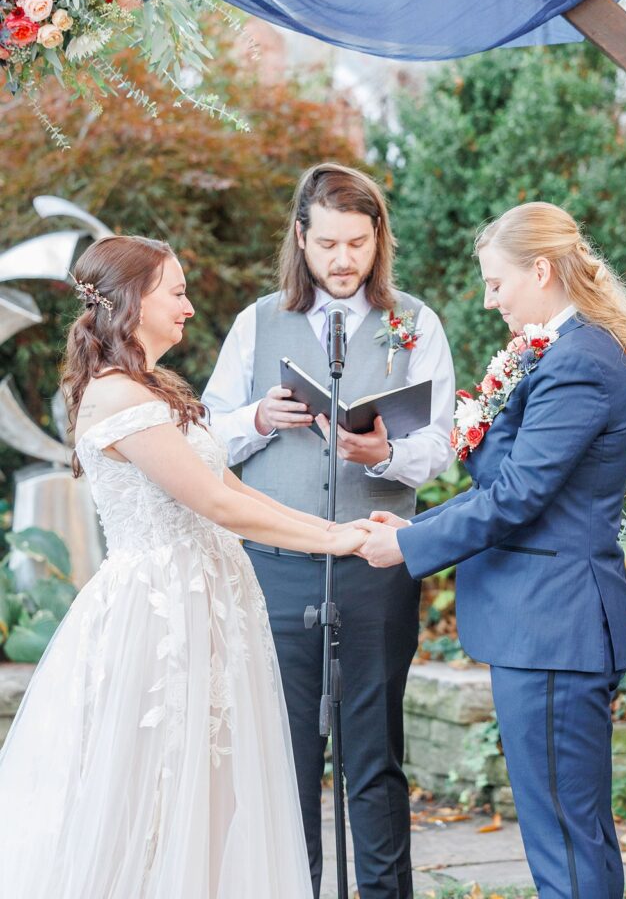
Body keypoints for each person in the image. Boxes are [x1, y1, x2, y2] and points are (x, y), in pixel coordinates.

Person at [0, 234, 366, 899]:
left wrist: (338, 529)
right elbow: (214, 501)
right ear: (134, 302)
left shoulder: (151, 387)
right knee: (156, 791)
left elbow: (236, 488)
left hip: (210, 606)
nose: (189, 307)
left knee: (213, 792)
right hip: (160, 619)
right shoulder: (114, 397)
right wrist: (334, 545)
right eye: (176, 292)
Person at [355, 202, 626, 899]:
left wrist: (409, 548)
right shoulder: (563, 351)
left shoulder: (578, 361)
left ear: (540, 270)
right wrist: (411, 531)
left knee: (565, 843)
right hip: (547, 626)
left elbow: (516, 496)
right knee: (569, 831)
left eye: (496, 283)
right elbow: (519, 490)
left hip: (555, 626)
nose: (490, 302)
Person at [202, 163, 455, 899]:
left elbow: (439, 445)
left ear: (379, 241)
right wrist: (254, 419)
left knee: (373, 758)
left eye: (358, 243)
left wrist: (388, 453)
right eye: (329, 245)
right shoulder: (257, 321)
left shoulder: (417, 321)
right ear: (301, 240)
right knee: (284, 761)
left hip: (376, 566)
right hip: (274, 568)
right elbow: (206, 440)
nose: (344, 260)